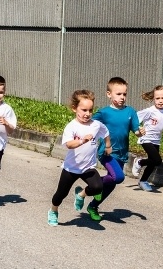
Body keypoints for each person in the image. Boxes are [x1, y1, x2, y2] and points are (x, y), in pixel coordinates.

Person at [47, 90, 114, 226]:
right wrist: (82, 141)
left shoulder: (96, 125)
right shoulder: (72, 126)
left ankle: (81, 195)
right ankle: (53, 210)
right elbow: (69, 144)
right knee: (60, 194)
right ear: (74, 108)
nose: (87, 114)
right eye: (83, 110)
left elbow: (105, 132)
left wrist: (108, 146)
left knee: (97, 187)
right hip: (71, 168)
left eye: (90, 110)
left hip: (88, 167)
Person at [87, 77, 147, 218]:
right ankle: (93, 187)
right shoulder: (104, 113)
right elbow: (89, 123)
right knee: (118, 177)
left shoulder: (130, 112)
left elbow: (136, 132)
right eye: (118, 94)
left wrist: (140, 132)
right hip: (107, 152)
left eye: (124, 94)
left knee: (112, 182)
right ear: (109, 94)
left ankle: (93, 206)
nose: (122, 97)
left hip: (122, 153)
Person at [131, 85, 163, 190]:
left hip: (156, 141)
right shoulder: (150, 111)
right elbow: (134, 118)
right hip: (146, 138)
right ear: (153, 99)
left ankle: (143, 181)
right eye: (157, 98)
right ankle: (139, 162)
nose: (160, 101)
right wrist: (138, 128)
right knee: (157, 160)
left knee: (152, 162)